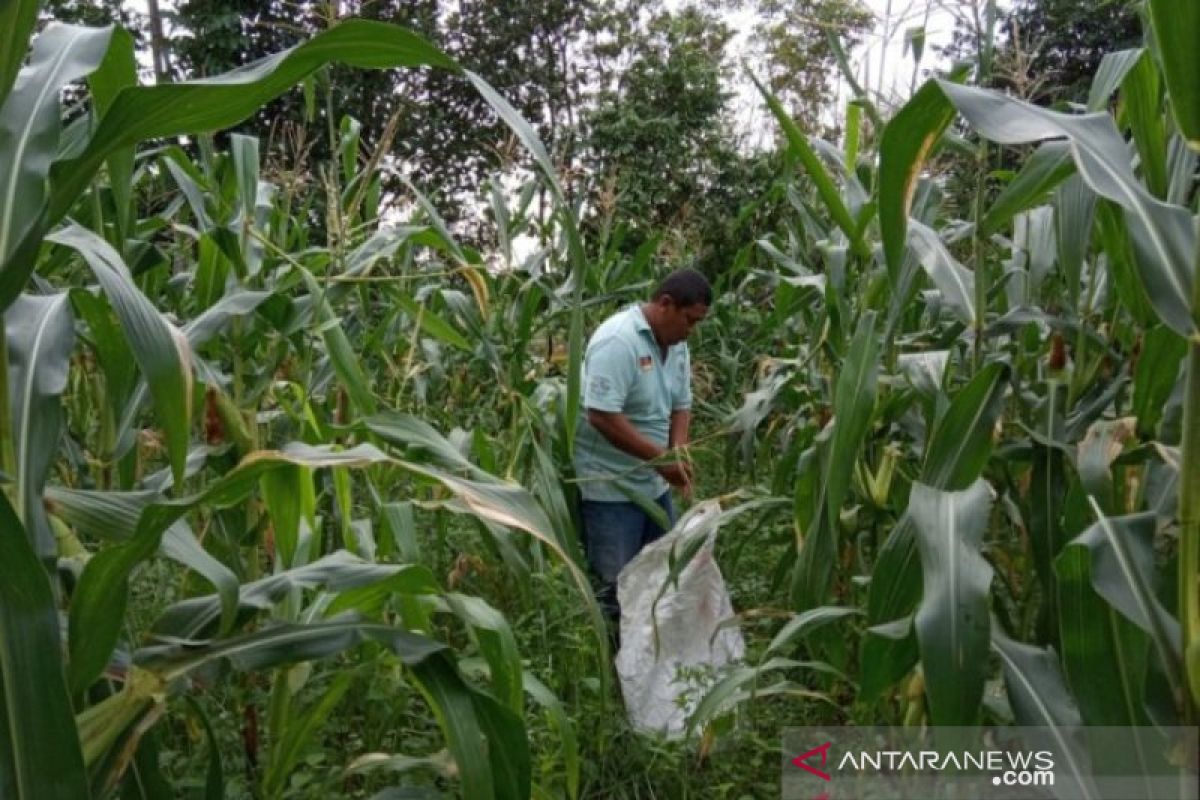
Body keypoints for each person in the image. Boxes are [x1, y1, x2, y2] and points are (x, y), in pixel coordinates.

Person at [574, 267, 711, 624]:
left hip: (655, 487)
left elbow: (681, 404)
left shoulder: (676, 345)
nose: (690, 331)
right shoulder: (618, 342)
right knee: (615, 592)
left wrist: (677, 454)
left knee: (663, 580)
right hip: (610, 490)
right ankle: (611, 670)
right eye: (689, 320)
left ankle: (649, 664)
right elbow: (601, 416)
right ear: (665, 304)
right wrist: (660, 459)